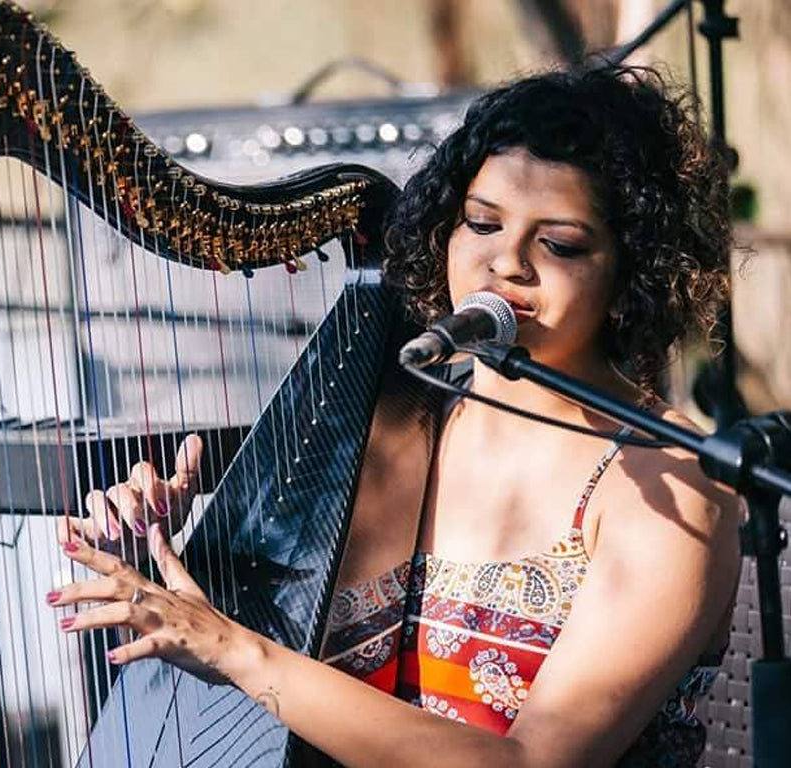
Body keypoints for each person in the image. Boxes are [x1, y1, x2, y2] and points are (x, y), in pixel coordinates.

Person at [45, 62, 740, 767]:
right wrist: (155, 562)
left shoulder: (671, 486)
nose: (506, 262)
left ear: (634, 275)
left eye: (558, 244)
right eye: (481, 224)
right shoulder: (393, 420)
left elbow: (533, 762)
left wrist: (231, 648)